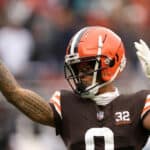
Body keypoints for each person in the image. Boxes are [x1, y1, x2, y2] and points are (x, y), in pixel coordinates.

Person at [0, 26, 150, 150]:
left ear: (111, 63)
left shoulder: (137, 103)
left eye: (89, 66)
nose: (80, 74)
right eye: (77, 68)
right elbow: (15, 93)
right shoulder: (67, 103)